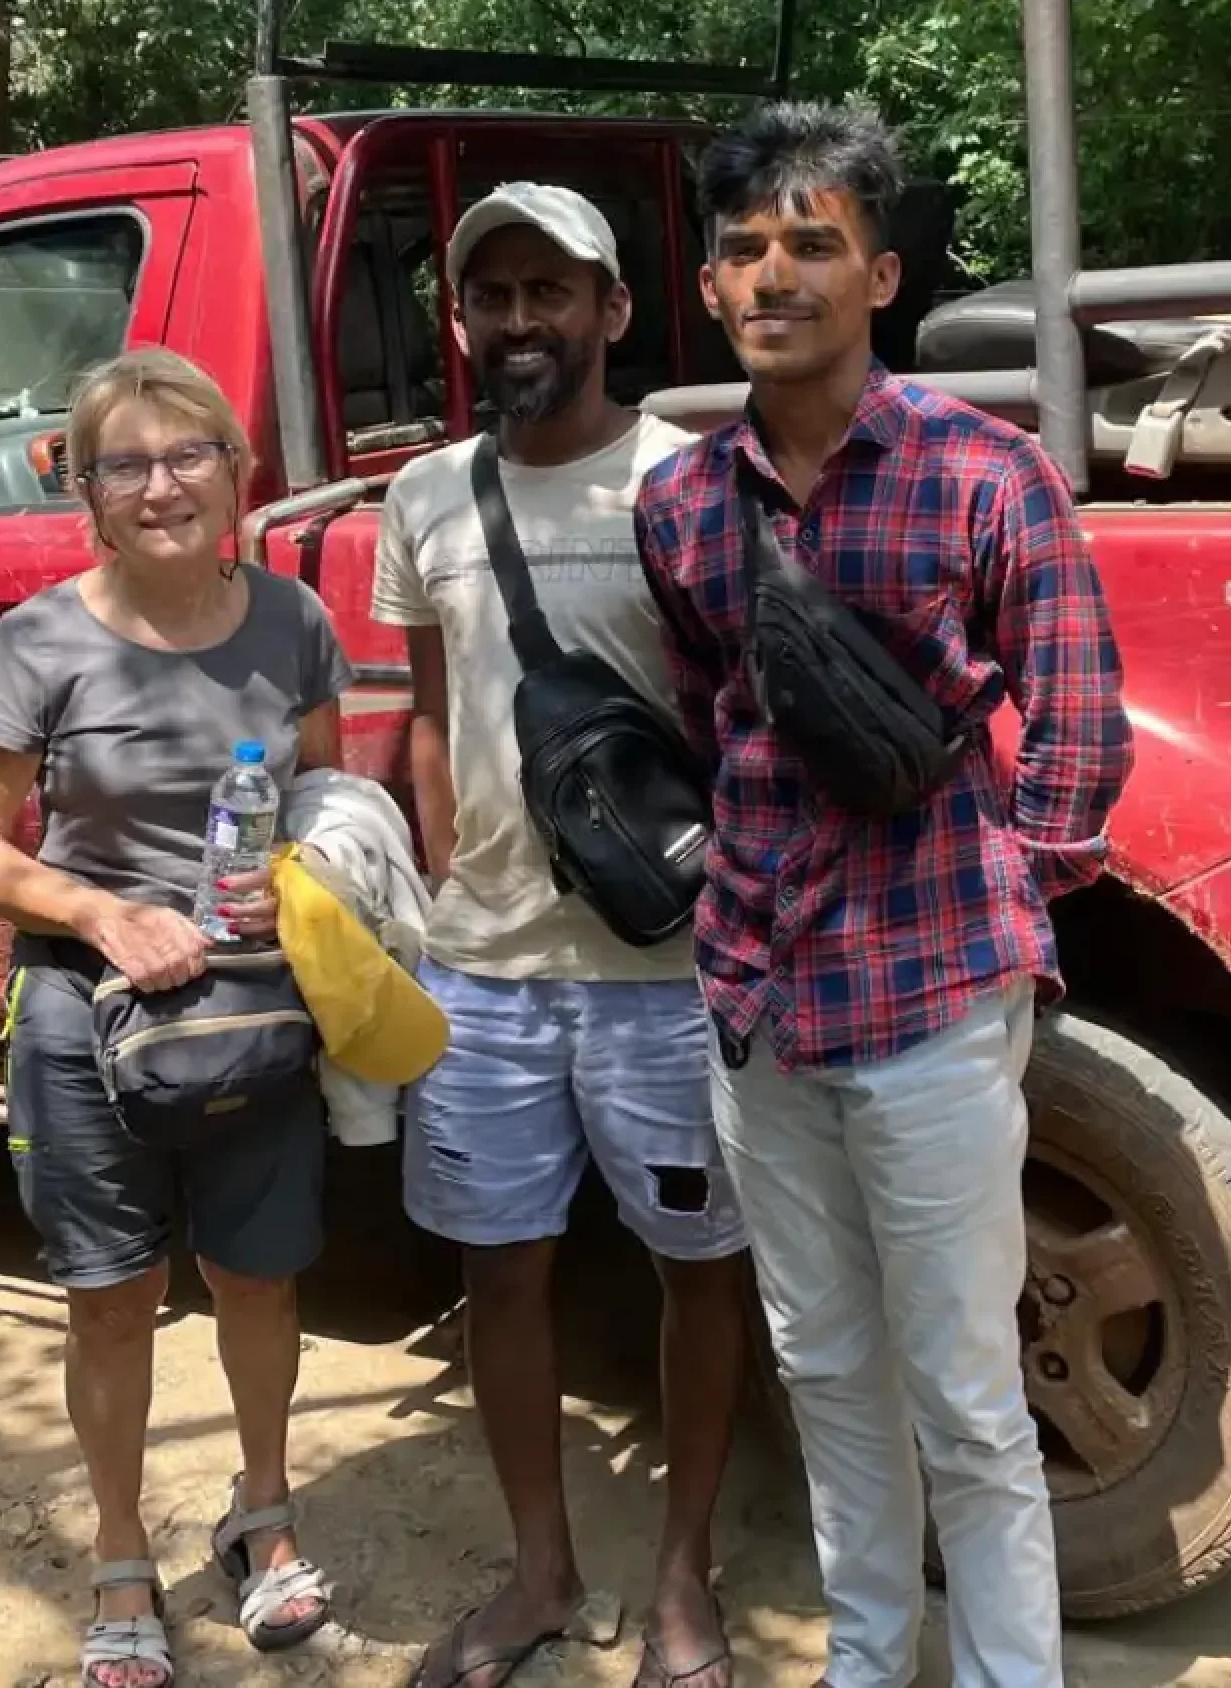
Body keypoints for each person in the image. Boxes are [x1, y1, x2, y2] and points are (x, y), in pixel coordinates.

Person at [632, 105, 1133, 1688]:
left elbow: (1080, 732)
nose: (774, 273)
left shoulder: (988, 477)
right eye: (744, 249)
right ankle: (870, 1656)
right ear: (710, 287)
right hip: (757, 1004)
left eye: (813, 243)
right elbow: (718, 716)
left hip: (928, 1001)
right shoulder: (682, 512)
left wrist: (1000, 915)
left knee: (970, 1396)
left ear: (882, 272)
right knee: (825, 1370)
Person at [372, 182, 755, 1688]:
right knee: (501, 1277)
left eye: (550, 292)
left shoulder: (692, 482)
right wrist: (439, 874)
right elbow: (426, 710)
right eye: (491, 298)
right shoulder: (424, 499)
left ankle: (683, 1584)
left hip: (664, 974)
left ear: (612, 311)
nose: (518, 322)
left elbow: (740, 716)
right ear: (463, 323)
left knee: (699, 1271)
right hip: (486, 979)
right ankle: (538, 1577)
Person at [0, 346, 348, 1688]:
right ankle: (121, 1553)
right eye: (129, 464)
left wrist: (322, 900)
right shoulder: (40, 640)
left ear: (236, 473)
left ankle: (263, 1515)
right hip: (83, 1011)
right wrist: (105, 912)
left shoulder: (293, 622)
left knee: (257, 1278)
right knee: (113, 1300)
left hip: (254, 1008)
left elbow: (333, 806)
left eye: (191, 456)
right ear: (90, 492)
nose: (164, 485)